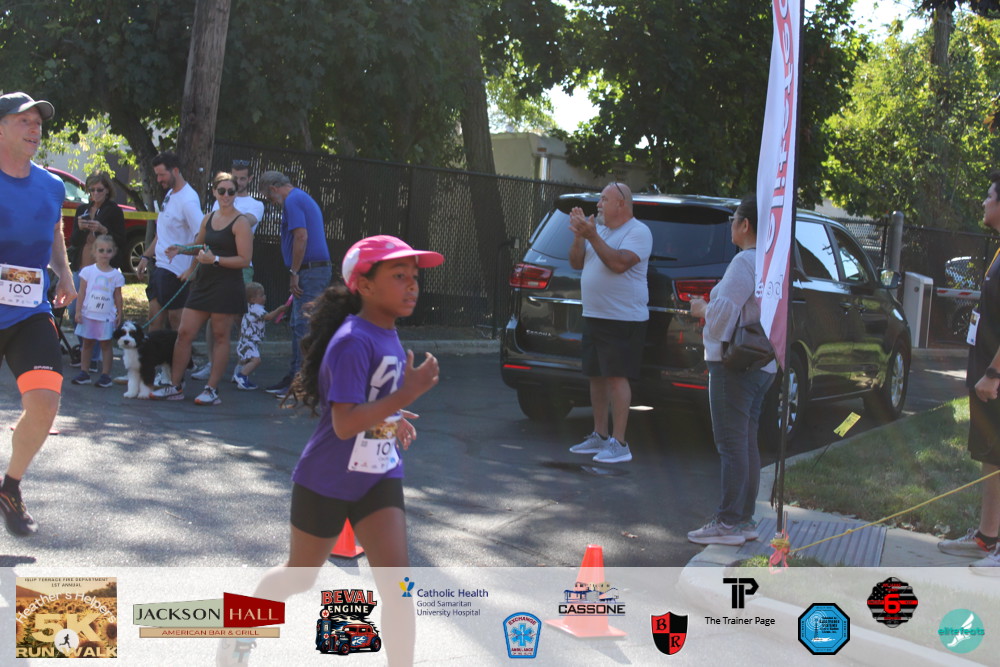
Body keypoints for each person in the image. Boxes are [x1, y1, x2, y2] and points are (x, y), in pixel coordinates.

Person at [218, 235, 443, 667]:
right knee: (298, 576)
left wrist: (394, 418)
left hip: (378, 476)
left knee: (399, 587)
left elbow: (371, 400)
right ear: (365, 285)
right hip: (327, 479)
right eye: (399, 275)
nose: (412, 285)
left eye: (414, 276)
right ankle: (237, 636)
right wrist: (404, 396)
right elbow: (343, 423)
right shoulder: (352, 340)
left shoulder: (388, 333)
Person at [0, 92, 76, 536]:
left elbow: (53, 229)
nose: (35, 129)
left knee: (45, 403)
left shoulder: (51, 186)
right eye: (23, 121)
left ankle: (10, 487)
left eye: (38, 123)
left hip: (29, 309)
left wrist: (63, 271)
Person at [686, 195, 777, 546]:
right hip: (763, 362)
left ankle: (727, 522)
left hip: (734, 364)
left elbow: (722, 315)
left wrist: (701, 308)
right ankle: (743, 520)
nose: (731, 226)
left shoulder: (744, 262)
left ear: (745, 224)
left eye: (734, 219)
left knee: (731, 444)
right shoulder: (771, 263)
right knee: (746, 442)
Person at [937, 172, 1000, 573]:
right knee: (992, 458)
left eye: (990, 195)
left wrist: (993, 373)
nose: (984, 201)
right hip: (987, 378)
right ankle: (987, 537)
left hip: (995, 378)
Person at [566, 182, 652, 464]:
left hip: (622, 318)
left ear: (621, 204)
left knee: (616, 376)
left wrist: (591, 235)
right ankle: (600, 435)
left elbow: (618, 264)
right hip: (594, 315)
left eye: (604, 199)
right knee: (596, 376)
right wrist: (579, 237)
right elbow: (576, 263)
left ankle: (620, 443)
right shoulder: (599, 231)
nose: (598, 205)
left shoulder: (638, 232)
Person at [151, 173, 252, 405]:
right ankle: (175, 386)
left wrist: (215, 259)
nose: (226, 195)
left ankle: (211, 389)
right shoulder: (208, 218)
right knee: (184, 333)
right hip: (203, 284)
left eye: (231, 191)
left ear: (235, 194)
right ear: (214, 192)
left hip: (226, 286)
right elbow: (200, 246)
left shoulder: (241, 222)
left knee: (220, 336)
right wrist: (181, 249)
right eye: (222, 191)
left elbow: (244, 260)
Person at [257, 170, 333, 398]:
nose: (272, 202)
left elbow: (301, 236)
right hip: (314, 270)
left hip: (310, 271)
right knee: (301, 324)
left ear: (273, 189)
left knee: (303, 325)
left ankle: (301, 382)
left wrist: (294, 271)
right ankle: (296, 377)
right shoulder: (301, 197)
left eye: (269, 197)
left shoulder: (292, 200)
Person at [192, 159, 266, 382]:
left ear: (249, 179)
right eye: (235, 177)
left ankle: (243, 365)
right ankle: (212, 363)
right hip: (213, 267)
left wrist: (227, 211)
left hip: (239, 267)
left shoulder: (255, 204)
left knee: (242, 318)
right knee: (212, 317)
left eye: (242, 179)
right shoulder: (218, 204)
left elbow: (245, 222)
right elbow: (208, 233)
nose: (238, 183)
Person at [136, 151, 202, 332]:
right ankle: (154, 351)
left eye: (162, 175)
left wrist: (192, 269)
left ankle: (182, 352)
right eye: (157, 175)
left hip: (177, 272)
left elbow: (202, 237)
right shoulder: (170, 194)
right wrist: (145, 256)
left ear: (175, 171)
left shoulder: (188, 201)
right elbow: (162, 233)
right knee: (154, 320)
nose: (158, 179)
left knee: (176, 324)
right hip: (160, 268)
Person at [67, 171, 126, 371]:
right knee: (74, 310)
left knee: (98, 312)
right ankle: (86, 349)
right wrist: (80, 227)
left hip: (103, 270)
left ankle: (92, 357)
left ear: (107, 190)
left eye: (99, 190)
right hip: (82, 266)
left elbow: (121, 240)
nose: (95, 193)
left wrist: (103, 229)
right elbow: (74, 241)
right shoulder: (82, 209)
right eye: (91, 190)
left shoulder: (114, 211)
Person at [70, 235, 124, 388]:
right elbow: (82, 292)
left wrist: (119, 312)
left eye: (108, 251)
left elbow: (118, 296)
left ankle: (106, 375)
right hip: (89, 314)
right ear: (94, 252)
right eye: (101, 250)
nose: (104, 254)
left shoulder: (116, 275)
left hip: (106, 316)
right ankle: (84, 372)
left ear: (113, 252)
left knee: (106, 344)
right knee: (87, 343)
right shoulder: (87, 272)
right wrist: (78, 311)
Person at [232, 282, 288, 391]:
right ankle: (241, 376)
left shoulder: (251, 307)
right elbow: (268, 317)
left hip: (247, 340)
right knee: (256, 361)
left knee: (249, 361)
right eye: (261, 295)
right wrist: (279, 310)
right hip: (249, 341)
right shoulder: (256, 308)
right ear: (253, 299)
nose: (264, 297)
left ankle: (243, 380)